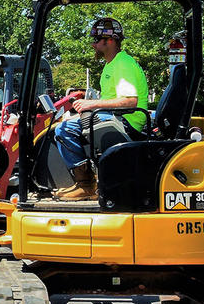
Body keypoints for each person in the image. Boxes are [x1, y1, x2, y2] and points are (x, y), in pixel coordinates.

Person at [53, 17, 150, 201]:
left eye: (97, 40)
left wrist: (91, 104)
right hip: (118, 117)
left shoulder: (122, 64)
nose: (93, 45)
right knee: (74, 122)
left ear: (110, 41)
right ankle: (88, 183)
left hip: (127, 122)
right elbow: (113, 97)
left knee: (63, 129)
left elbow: (130, 101)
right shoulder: (112, 64)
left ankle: (86, 185)